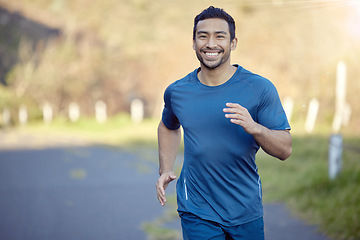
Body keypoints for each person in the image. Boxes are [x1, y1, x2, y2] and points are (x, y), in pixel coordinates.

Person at [156, 6, 292, 240]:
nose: (211, 44)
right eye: (203, 36)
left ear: (233, 42)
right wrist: (165, 168)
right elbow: (168, 125)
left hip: (245, 209)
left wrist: (255, 128)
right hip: (196, 208)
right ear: (193, 42)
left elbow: (285, 149)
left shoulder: (259, 89)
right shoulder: (178, 91)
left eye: (220, 36)